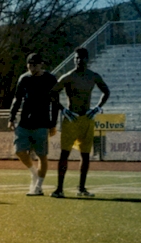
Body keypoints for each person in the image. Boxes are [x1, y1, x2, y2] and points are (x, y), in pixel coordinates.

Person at [50, 47, 110, 198]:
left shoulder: (93, 76)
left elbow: (106, 91)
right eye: (76, 58)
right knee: (65, 153)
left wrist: (97, 108)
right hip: (71, 118)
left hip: (87, 119)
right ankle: (59, 189)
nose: (78, 61)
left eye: (81, 58)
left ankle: (82, 188)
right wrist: (63, 109)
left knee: (85, 155)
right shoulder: (69, 76)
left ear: (87, 59)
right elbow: (52, 93)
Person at [8, 53, 59, 196]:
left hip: (42, 122)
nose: (32, 67)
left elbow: (55, 103)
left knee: (42, 155)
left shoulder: (50, 79)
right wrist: (11, 117)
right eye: (29, 64)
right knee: (19, 151)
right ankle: (34, 173)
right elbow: (17, 98)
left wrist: (53, 124)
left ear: (41, 64)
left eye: (35, 64)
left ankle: (38, 186)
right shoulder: (24, 78)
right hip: (24, 122)